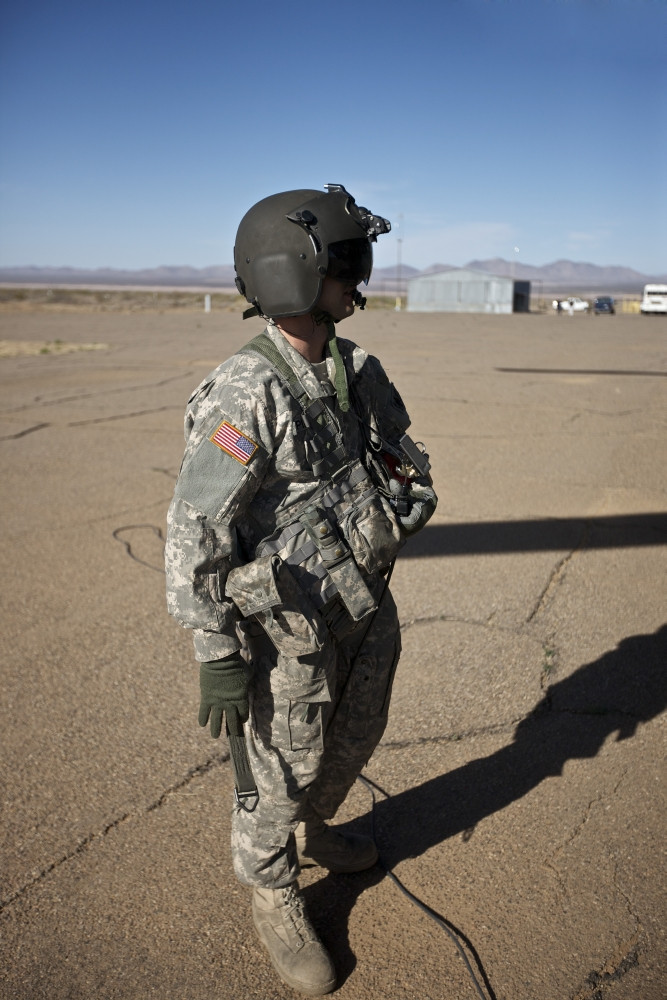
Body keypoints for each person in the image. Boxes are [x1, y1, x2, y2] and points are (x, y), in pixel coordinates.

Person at [164, 184, 437, 995]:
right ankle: (273, 886)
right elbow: (196, 532)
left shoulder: (356, 367)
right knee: (280, 766)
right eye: (344, 261)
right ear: (292, 274)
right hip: (287, 631)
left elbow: (396, 452)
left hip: (359, 602)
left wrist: (406, 494)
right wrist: (215, 647)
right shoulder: (247, 391)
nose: (360, 276)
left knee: (353, 738)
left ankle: (315, 830)